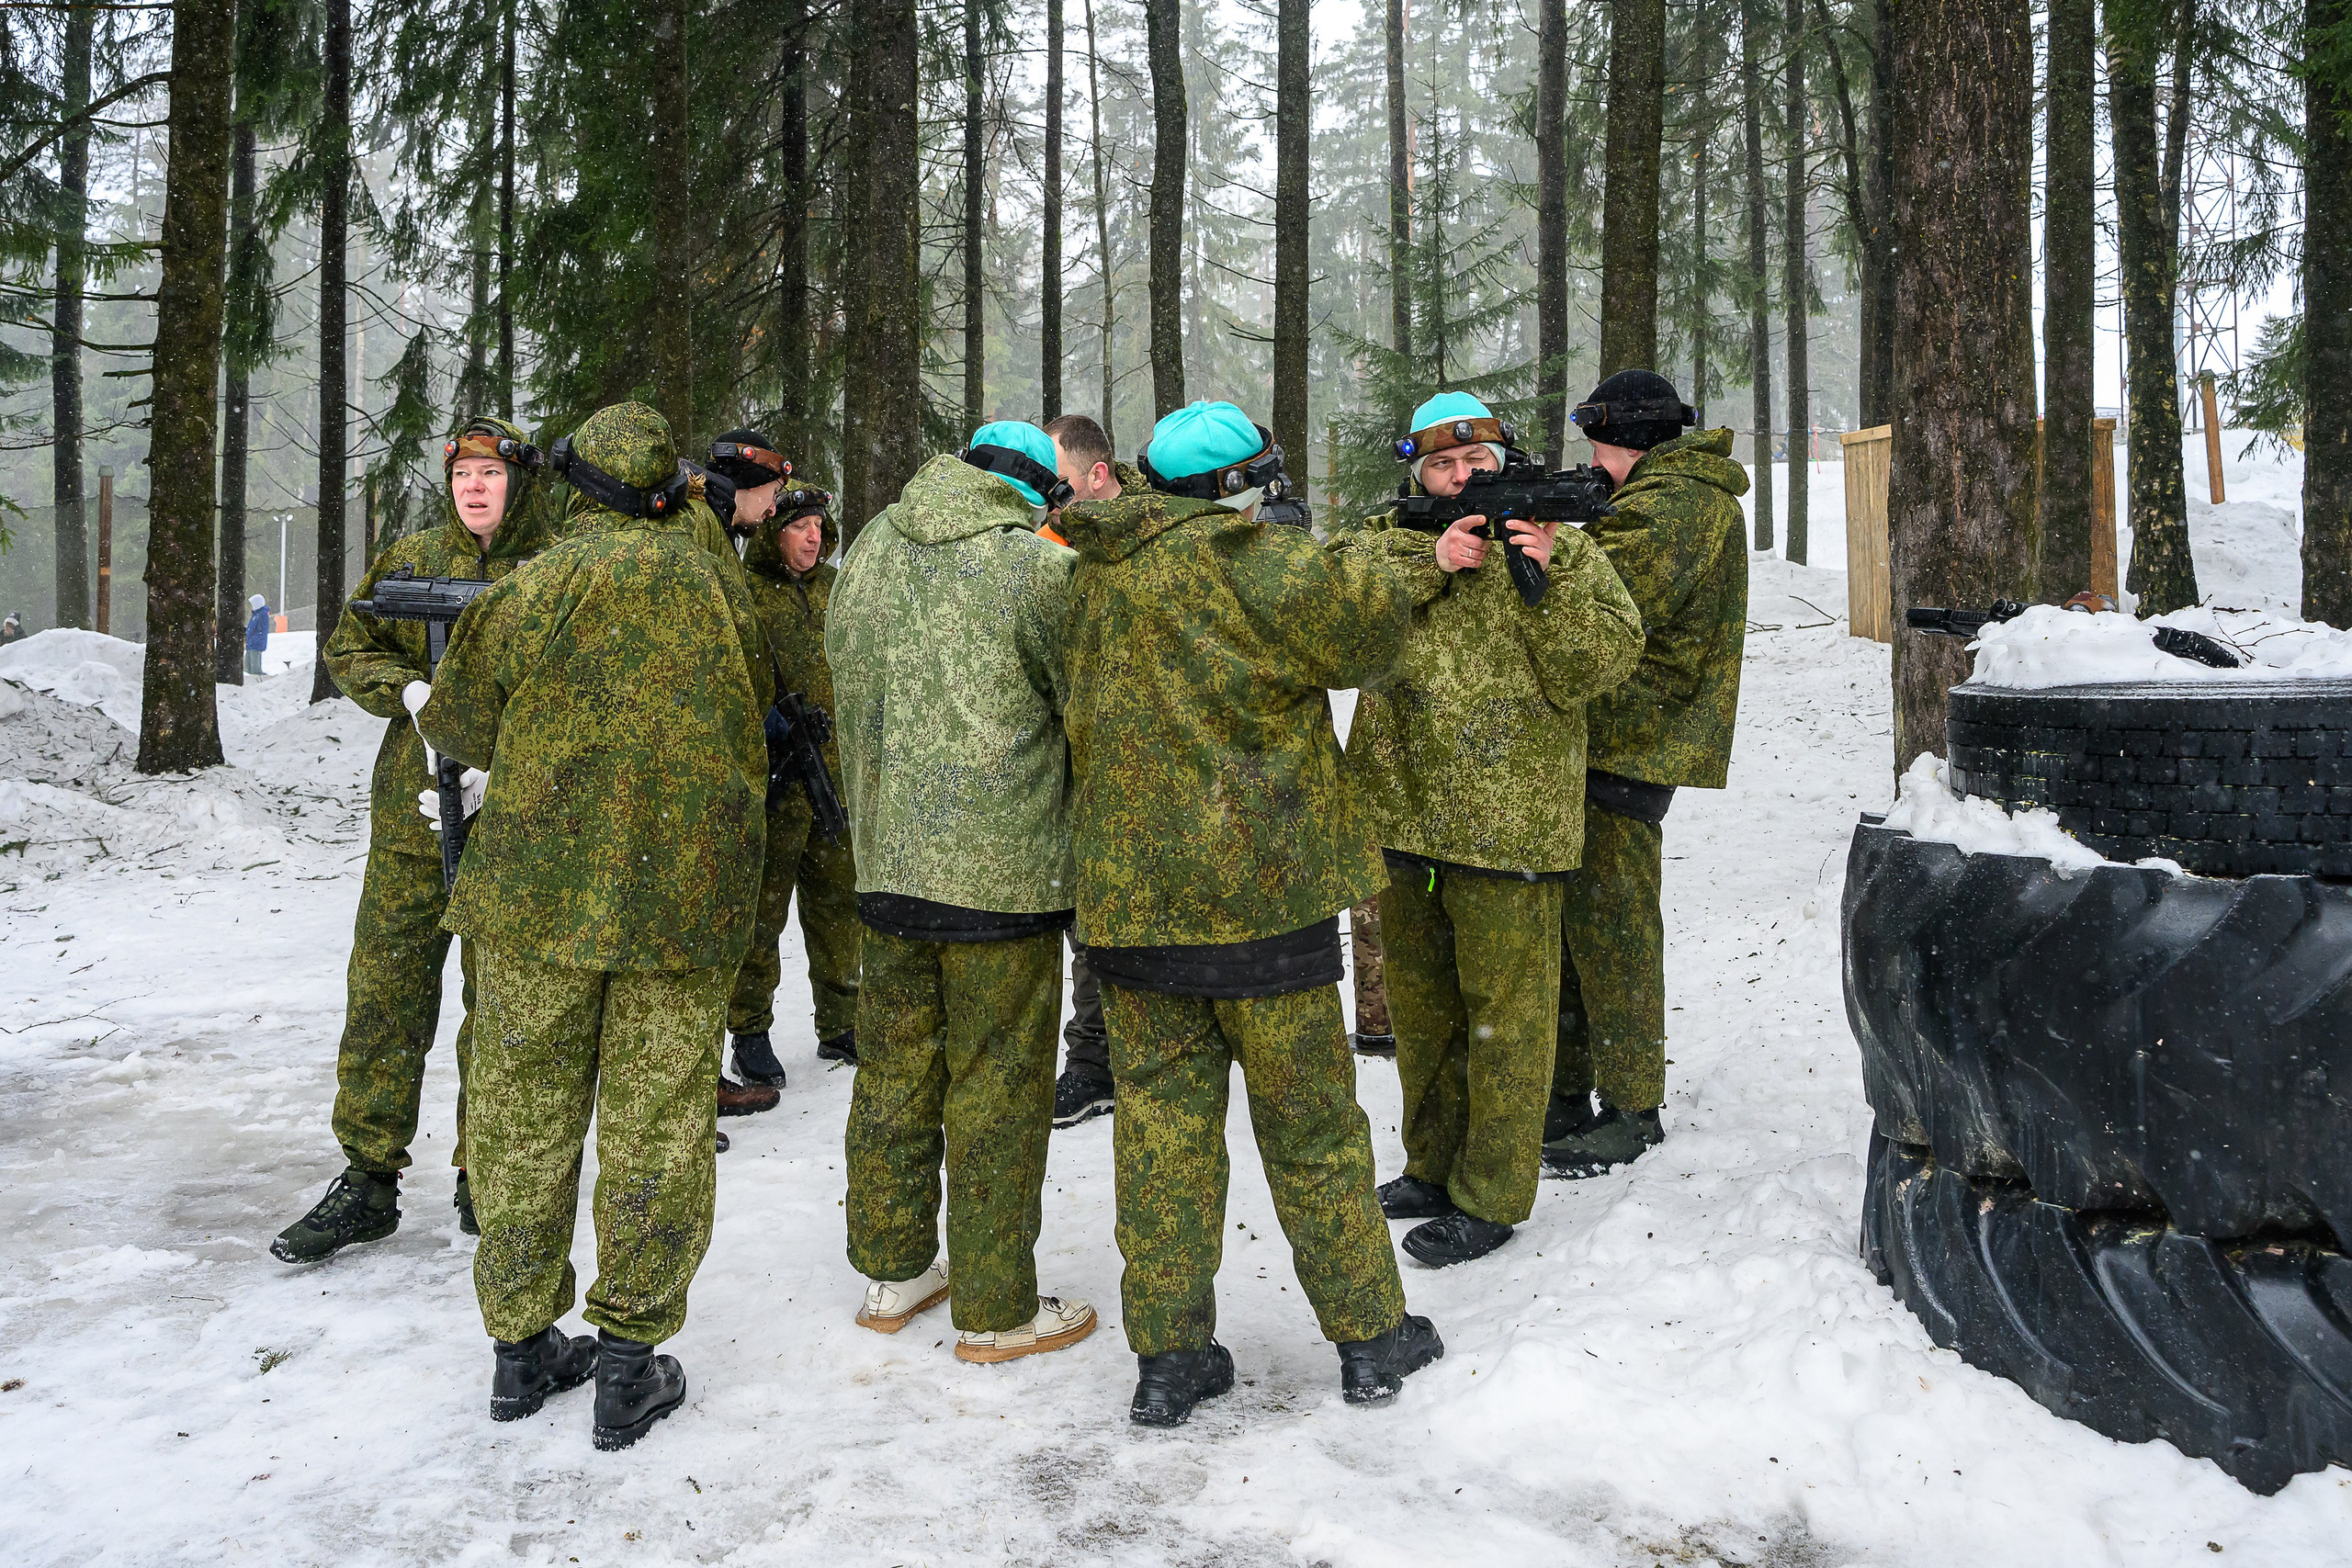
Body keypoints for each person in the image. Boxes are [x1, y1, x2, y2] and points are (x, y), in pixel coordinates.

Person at [1057, 400, 1442, 1427]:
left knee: (1161, 1140)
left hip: (1134, 913)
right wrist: (1319, 541)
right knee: (1313, 1129)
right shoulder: (1261, 565)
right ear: (1245, 484)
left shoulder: (1089, 575)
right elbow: (1366, 639)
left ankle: (1168, 1359)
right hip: (1265, 905)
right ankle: (1370, 1337)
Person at [417, 400, 772, 1449]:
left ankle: (520, 1351)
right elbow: (765, 690)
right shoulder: (715, 585)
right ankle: (627, 1362)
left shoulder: (536, 585)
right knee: (657, 1122)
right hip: (680, 899)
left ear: (576, 491)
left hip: (534, 899)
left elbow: (459, 719)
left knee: (521, 1114)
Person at [1346, 392, 1644, 1266]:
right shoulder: (1389, 543)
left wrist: (1544, 577)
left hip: (1512, 826)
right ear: (1419, 474)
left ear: (1505, 460)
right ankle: (1431, 1167)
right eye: (1444, 464)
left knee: (1506, 1022)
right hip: (1406, 814)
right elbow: (1336, 620)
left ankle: (1491, 1192)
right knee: (1426, 1013)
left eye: (1478, 461)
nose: (1464, 476)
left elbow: (1601, 665)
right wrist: (1432, 563)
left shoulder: (1568, 546)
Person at [826, 421, 1097, 1365]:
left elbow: (846, 676)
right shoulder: (1034, 570)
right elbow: (1084, 706)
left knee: (895, 1074)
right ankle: (994, 1307)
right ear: (1039, 496)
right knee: (997, 1093)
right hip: (1002, 880)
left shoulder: (869, 546)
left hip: (887, 864)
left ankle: (894, 1273)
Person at [271, 417, 556, 1265]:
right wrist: (412, 690)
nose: (475, 486)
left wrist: (511, 751)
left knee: (498, 1005)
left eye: (491, 473)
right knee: (386, 999)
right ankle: (367, 1177)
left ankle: (486, 1172)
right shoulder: (412, 557)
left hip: (509, 822)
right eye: (463, 472)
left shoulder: (549, 568)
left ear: (520, 481)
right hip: (410, 817)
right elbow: (349, 643)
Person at [1544, 370, 1752, 1177]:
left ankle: (1633, 1110)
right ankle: (1575, 1094)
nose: (1591, 456)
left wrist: (1549, 538)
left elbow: (1602, 594)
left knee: (1616, 930)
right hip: (1613, 735)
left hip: (1631, 739)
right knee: (1584, 926)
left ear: (1625, 437)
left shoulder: (1678, 503)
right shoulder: (1660, 495)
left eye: (1598, 439)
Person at [725, 453, 863, 1081]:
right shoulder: (747, 594)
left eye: (818, 527)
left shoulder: (839, 592)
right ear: (771, 529)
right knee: (761, 913)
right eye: (799, 525)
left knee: (839, 908)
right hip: (775, 785)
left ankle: (841, 1020)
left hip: (834, 780)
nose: (812, 537)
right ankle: (750, 1029)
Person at [1037, 412, 1140, 1129]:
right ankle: (1092, 1062)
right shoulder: (1048, 538)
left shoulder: (1147, 534)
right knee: (1088, 923)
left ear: (1095, 476)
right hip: (1074, 761)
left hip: (1142, 762)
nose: (1047, 496)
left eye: (1058, 482)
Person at [244, 595, 271, 676]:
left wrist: (254, 639)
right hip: (250, 644)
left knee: (255, 669)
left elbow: (262, 631)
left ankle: (259, 682)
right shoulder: (256, 615)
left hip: (255, 644)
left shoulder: (262, 615)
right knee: (247, 667)